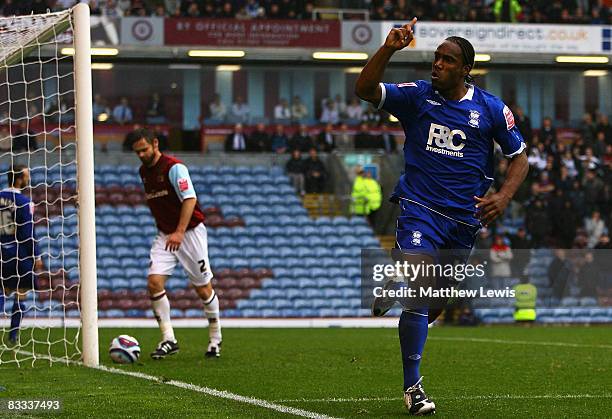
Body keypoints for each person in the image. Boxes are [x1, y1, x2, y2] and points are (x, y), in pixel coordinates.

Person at [355, 19, 528, 415]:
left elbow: (519, 158)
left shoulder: (490, 109)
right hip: (419, 209)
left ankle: (396, 289)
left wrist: (503, 195)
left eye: (448, 60)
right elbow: (364, 90)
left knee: (435, 305)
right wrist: (388, 49)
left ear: (466, 69)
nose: (438, 64)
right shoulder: (417, 97)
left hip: (463, 221)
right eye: (436, 58)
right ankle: (413, 388)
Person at [131, 128, 222, 359]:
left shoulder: (175, 168)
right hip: (165, 235)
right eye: (137, 152)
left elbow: (190, 199)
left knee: (203, 289)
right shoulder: (144, 172)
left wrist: (180, 231)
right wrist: (170, 231)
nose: (141, 155)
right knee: (153, 282)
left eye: (144, 149)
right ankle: (168, 339)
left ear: (155, 144)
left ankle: (215, 338)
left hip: (189, 233)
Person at [0, 165, 43, 345]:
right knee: (21, 292)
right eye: (27, 175)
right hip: (17, 253)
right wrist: (36, 256)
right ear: (19, 179)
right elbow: (27, 233)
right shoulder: (24, 201)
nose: (29, 178)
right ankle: (13, 335)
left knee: (2, 290)